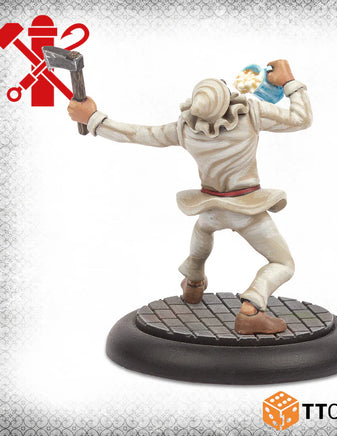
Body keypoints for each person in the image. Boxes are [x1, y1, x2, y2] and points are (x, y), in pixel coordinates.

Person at [67, 59, 312, 335]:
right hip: (247, 209)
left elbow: (139, 134)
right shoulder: (252, 113)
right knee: (283, 263)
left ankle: (193, 282)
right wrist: (289, 82)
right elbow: (302, 118)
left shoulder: (185, 129)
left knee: (203, 230)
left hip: (211, 208)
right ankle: (252, 309)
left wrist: (93, 119)